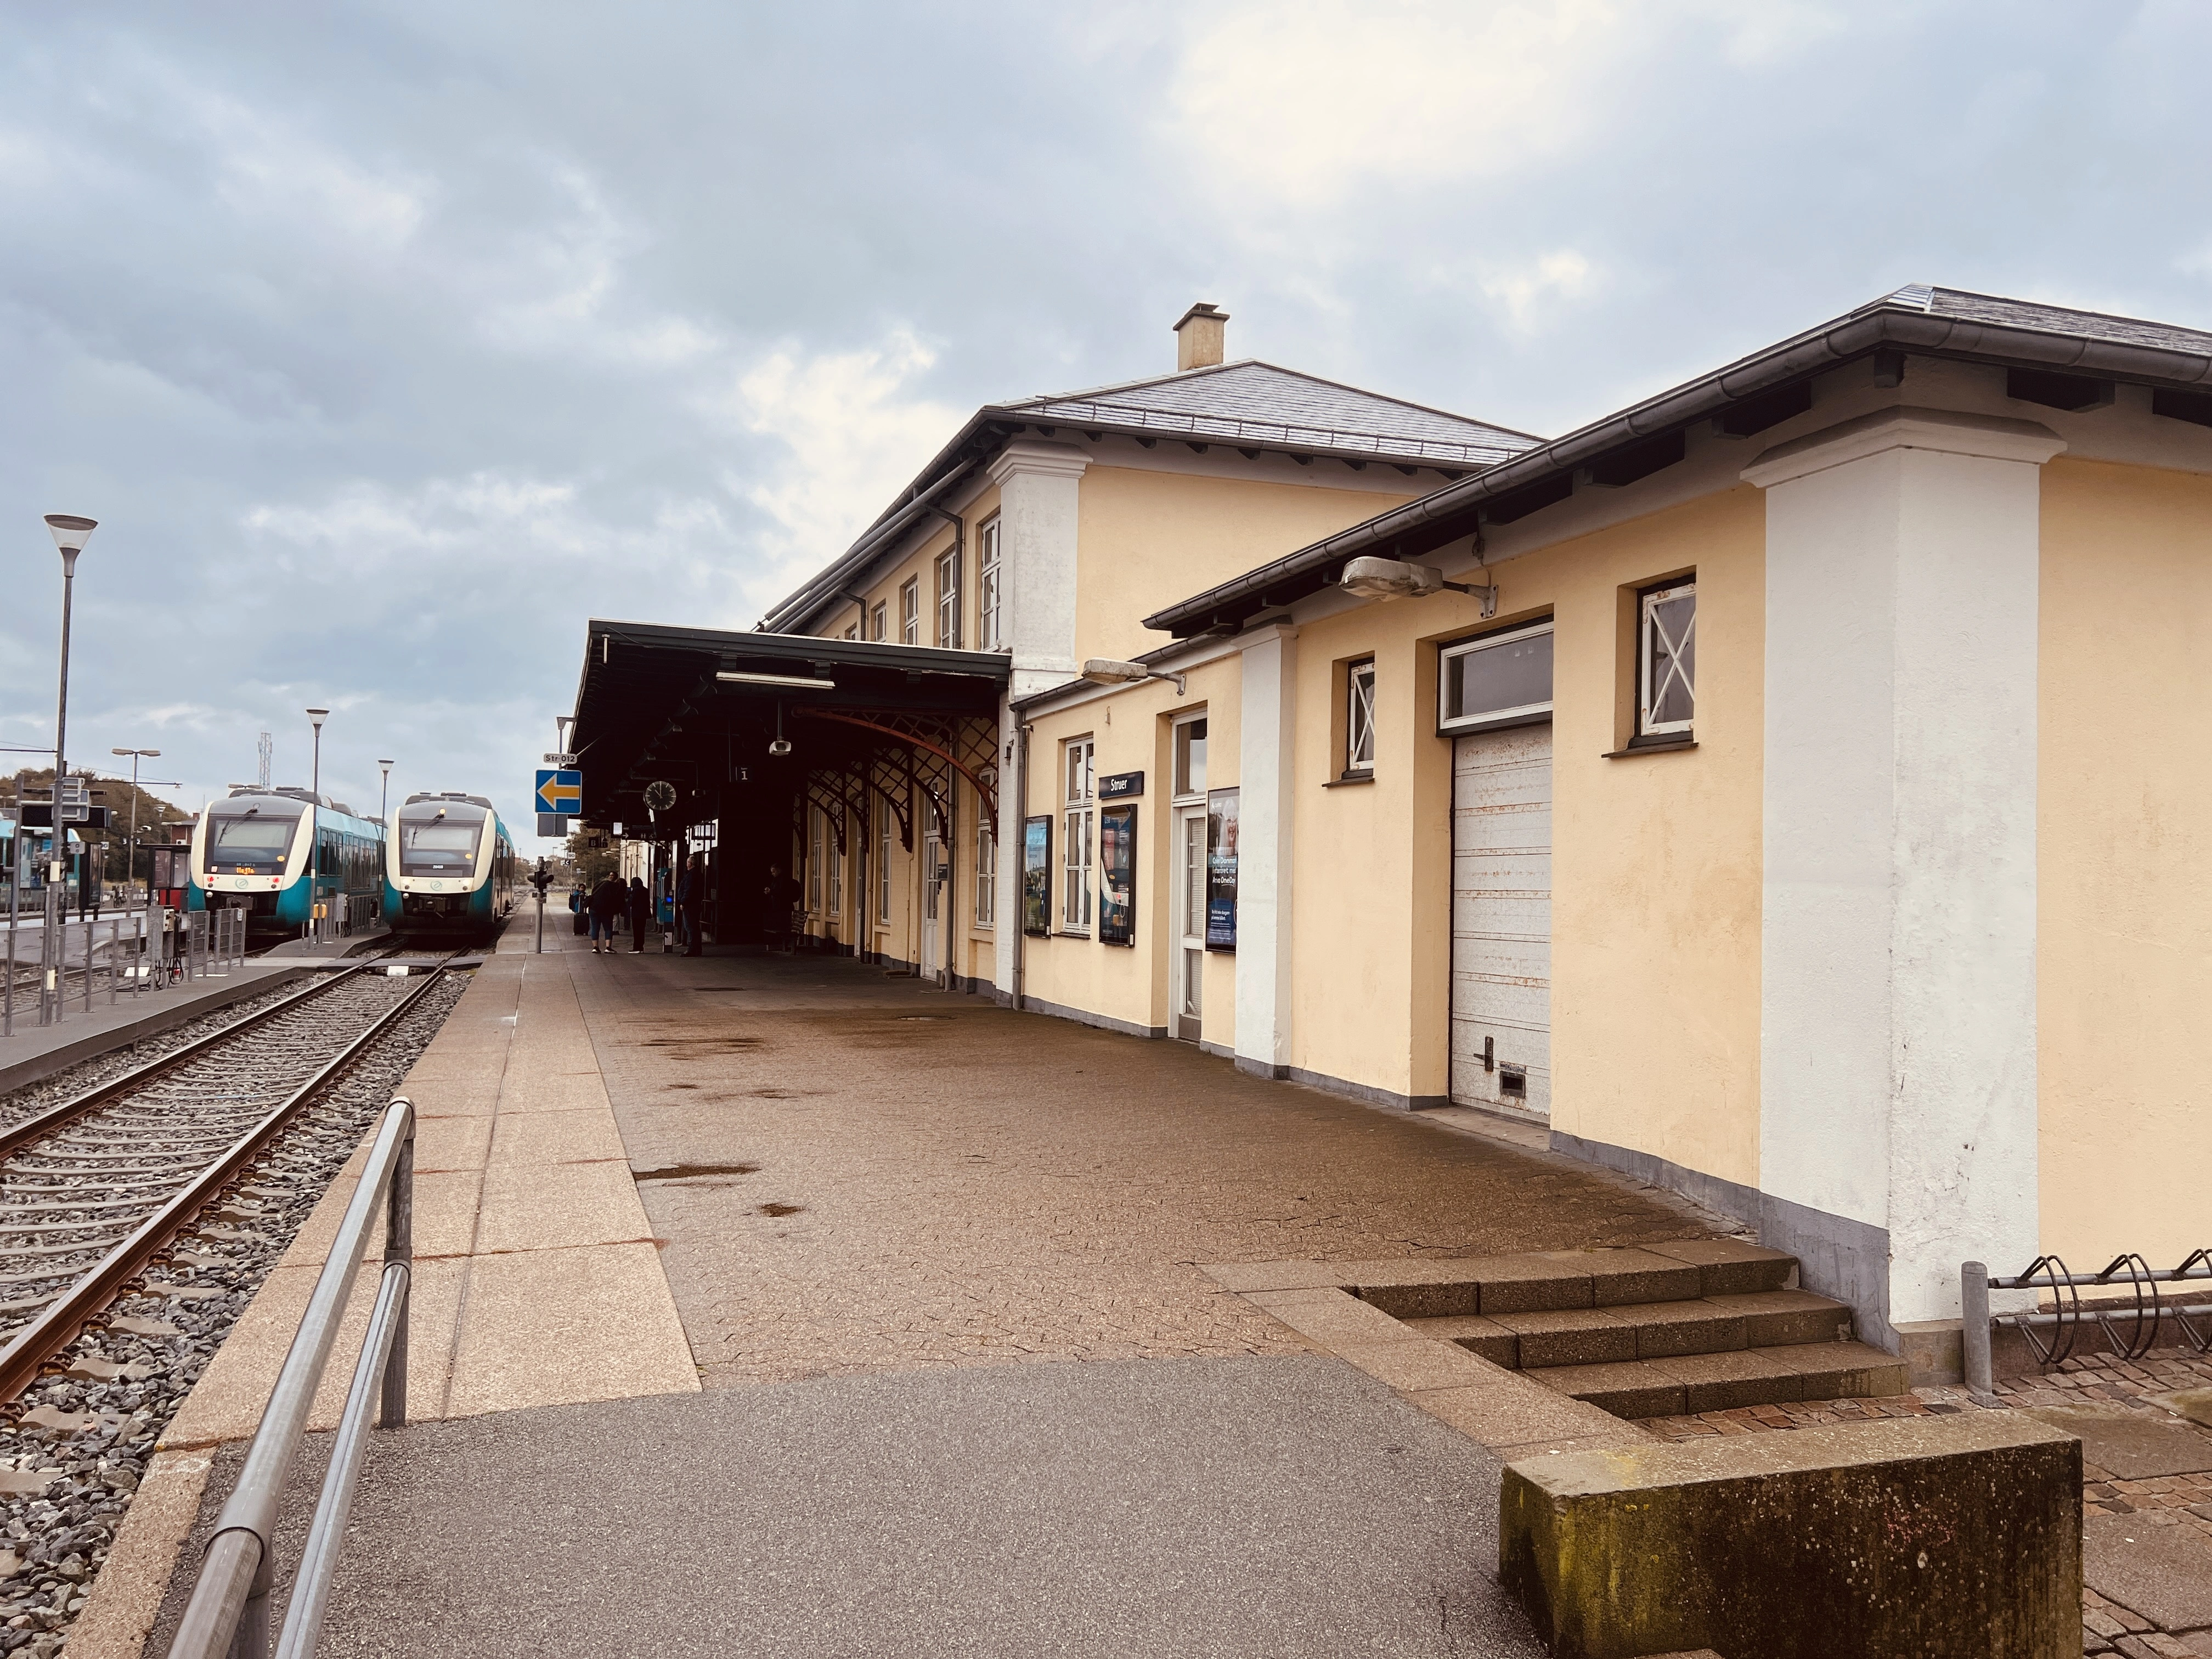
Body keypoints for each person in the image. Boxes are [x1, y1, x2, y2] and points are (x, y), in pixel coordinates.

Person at [761, 862, 799, 956]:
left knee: (784, 926)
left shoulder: (784, 880)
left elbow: (782, 893)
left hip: (784, 908)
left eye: (774, 871)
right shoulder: (777, 880)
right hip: (780, 907)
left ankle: (784, 945)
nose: (772, 874)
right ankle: (783, 945)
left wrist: (771, 892)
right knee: (782, 926)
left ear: (779, 870)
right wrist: (770, 891)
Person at [676, 853, 707, 957]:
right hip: (696, 904)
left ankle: (692, 949)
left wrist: (683, 902)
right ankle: (697, 949)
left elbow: (689, 891)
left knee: (690, 927)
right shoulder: (698, 874)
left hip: (690, 905)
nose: (686, 864)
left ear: (690, 863)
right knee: (695, 927)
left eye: (687, 863)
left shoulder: (691, 875)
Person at [586, 874, 624, 954]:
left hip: (593, 908)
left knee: (595, 927)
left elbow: (594, 891)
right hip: (606, 910)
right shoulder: (618, 890)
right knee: (608, 928)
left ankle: (595, 948)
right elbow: (619, 904)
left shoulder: (603, 884)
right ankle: (608, 948)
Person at [626, 875, 651, 954]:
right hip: (644, 914)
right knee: (642, 931)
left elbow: (631, 902)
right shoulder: (646, 890)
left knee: (636, 931)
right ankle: (641, 947)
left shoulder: (635, 891)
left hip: (636, 914)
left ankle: (636, 948)